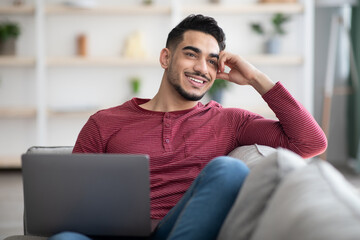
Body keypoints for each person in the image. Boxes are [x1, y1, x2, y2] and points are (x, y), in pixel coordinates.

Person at [49, 14, 327, 240]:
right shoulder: (104, 122)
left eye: (212, 61)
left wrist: (255, 77)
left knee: (229, 170)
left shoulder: (230, 121)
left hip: (179, 230)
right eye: (191, 55)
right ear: (165, 58)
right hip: (114, 233)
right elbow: (74, 201)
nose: (202, 68)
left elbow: (310, 143)